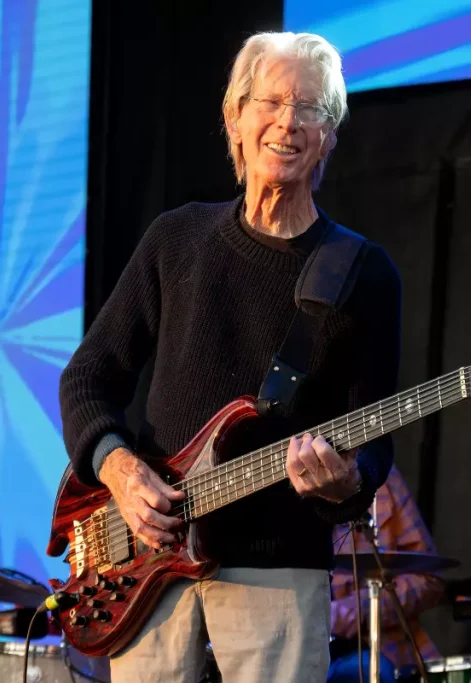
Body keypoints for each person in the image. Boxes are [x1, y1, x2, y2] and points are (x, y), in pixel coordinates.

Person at [58, 31, 402, 682]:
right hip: (148, 567)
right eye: (271, 102)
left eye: (311, 109)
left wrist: (346, 482)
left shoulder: (364, 273)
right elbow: (88, 378)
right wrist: (122, 470)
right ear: (234, 118)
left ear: (330, 134)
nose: (288, 123)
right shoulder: (176, 239)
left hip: (278, 572)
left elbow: (375, 443)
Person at [328, 465, 446, 682]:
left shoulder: (377, 474)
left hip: (380, 652)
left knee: (357, 671)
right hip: (289, 652)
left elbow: (427, 578)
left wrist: (349, 613)